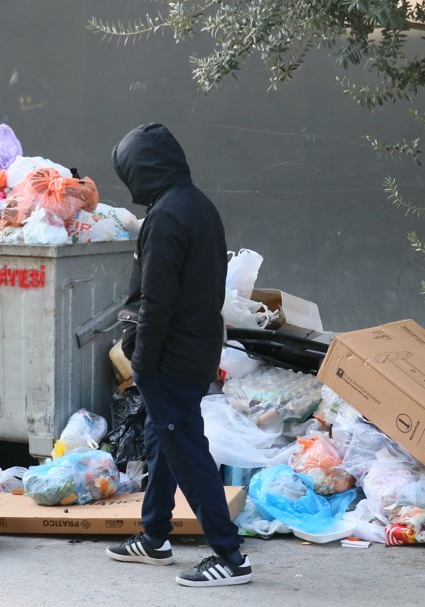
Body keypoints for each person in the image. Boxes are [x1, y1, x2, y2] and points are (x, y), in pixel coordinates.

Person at [105, 123, 252, 587]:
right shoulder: (195, 204)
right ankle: (154, 537)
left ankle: (230, 557)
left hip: (171, 356)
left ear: (142, 171)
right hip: (196, 345)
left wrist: (143, 361)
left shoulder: (167, 215)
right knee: (162, 438)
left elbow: (157, 300)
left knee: (186, 449)